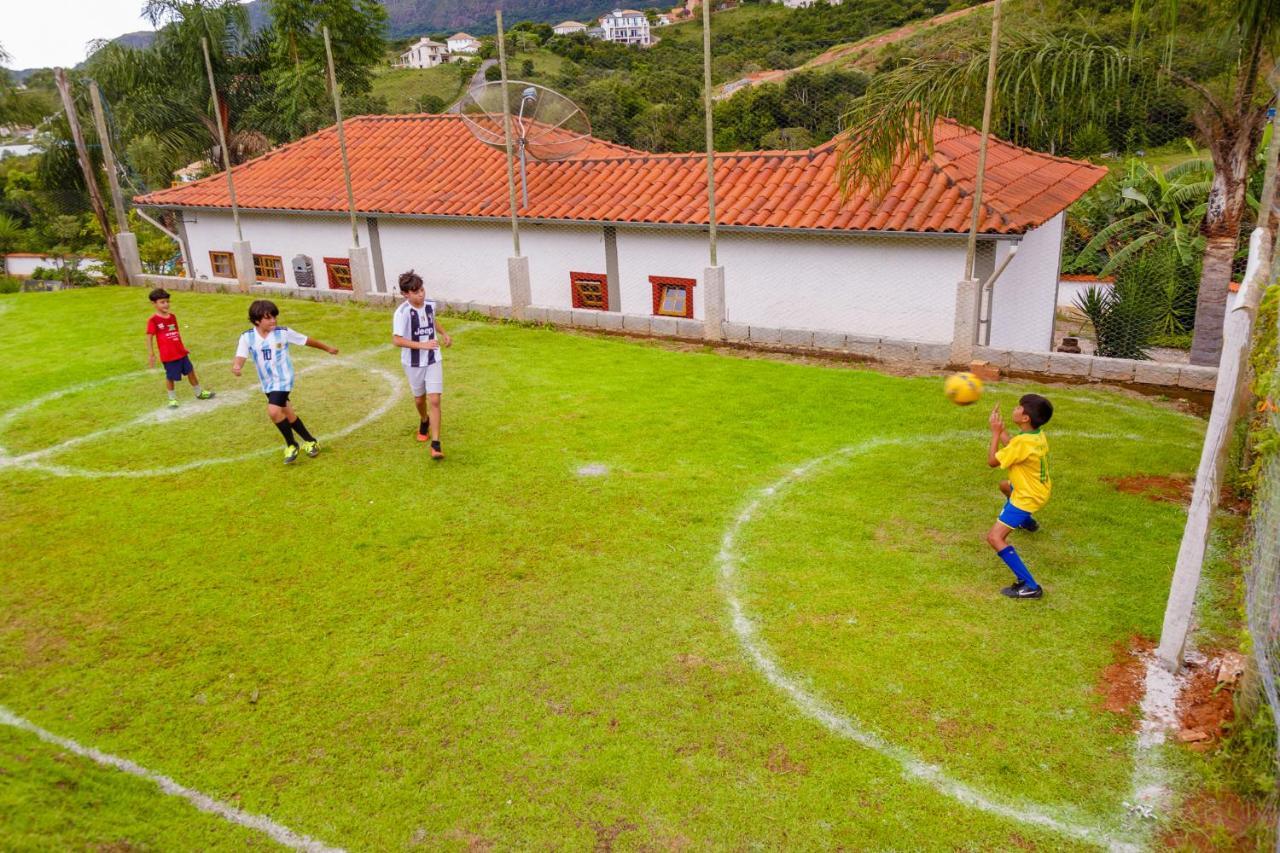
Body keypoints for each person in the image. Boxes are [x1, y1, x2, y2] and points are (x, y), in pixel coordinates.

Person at [232, 300, 339, 465]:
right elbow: (241, 354)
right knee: (288, 414)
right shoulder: (247, 337)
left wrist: (327, 348)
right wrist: (237, 366)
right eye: (268, 318)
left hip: (283, 380)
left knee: (274, 412)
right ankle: (311, 441)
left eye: (274, 317)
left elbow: (306, 340)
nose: (273, 321)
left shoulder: (283, 333)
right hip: (267, 383)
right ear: (257, 321)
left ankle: (291, 445)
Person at [986, 394, 1053, 600]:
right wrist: (1004, 430)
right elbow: (1014, 447)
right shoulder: (1036, 436)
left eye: (1018, 408)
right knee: (1004, 485)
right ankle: (1027, 523)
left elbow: (992, 462)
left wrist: (995, 433)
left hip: (1026, 497)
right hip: (1039, 489)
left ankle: (1030, 586)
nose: (1015, 409)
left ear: (1025, 418)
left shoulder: (1022, 442)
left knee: (995, 538)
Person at [392, 270, 452, 459]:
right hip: (413, 362)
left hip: (434, 358)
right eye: (416, 292)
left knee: (434, 400)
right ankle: (424, 420)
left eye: (422, 290)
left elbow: (432, 320)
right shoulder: (402, 313)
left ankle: (436, 444)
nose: (421, 294)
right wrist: (422, 345)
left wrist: (443, 333)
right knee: (420, 399)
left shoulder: (430, 305)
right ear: (405, 294)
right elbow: (397, 340)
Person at [146, 288, 215, 409]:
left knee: (190, 371)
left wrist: (181, 347)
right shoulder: (153, 320)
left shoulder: (172, 317)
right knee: (170, 377)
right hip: (169, 355)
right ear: (154, 304)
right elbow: (149, 336)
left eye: (167, 301)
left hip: (181, 352)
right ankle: (172, 399)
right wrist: (151, 353)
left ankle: (199, 393)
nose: (166, 304)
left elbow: (176, 334)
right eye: (162, 302)